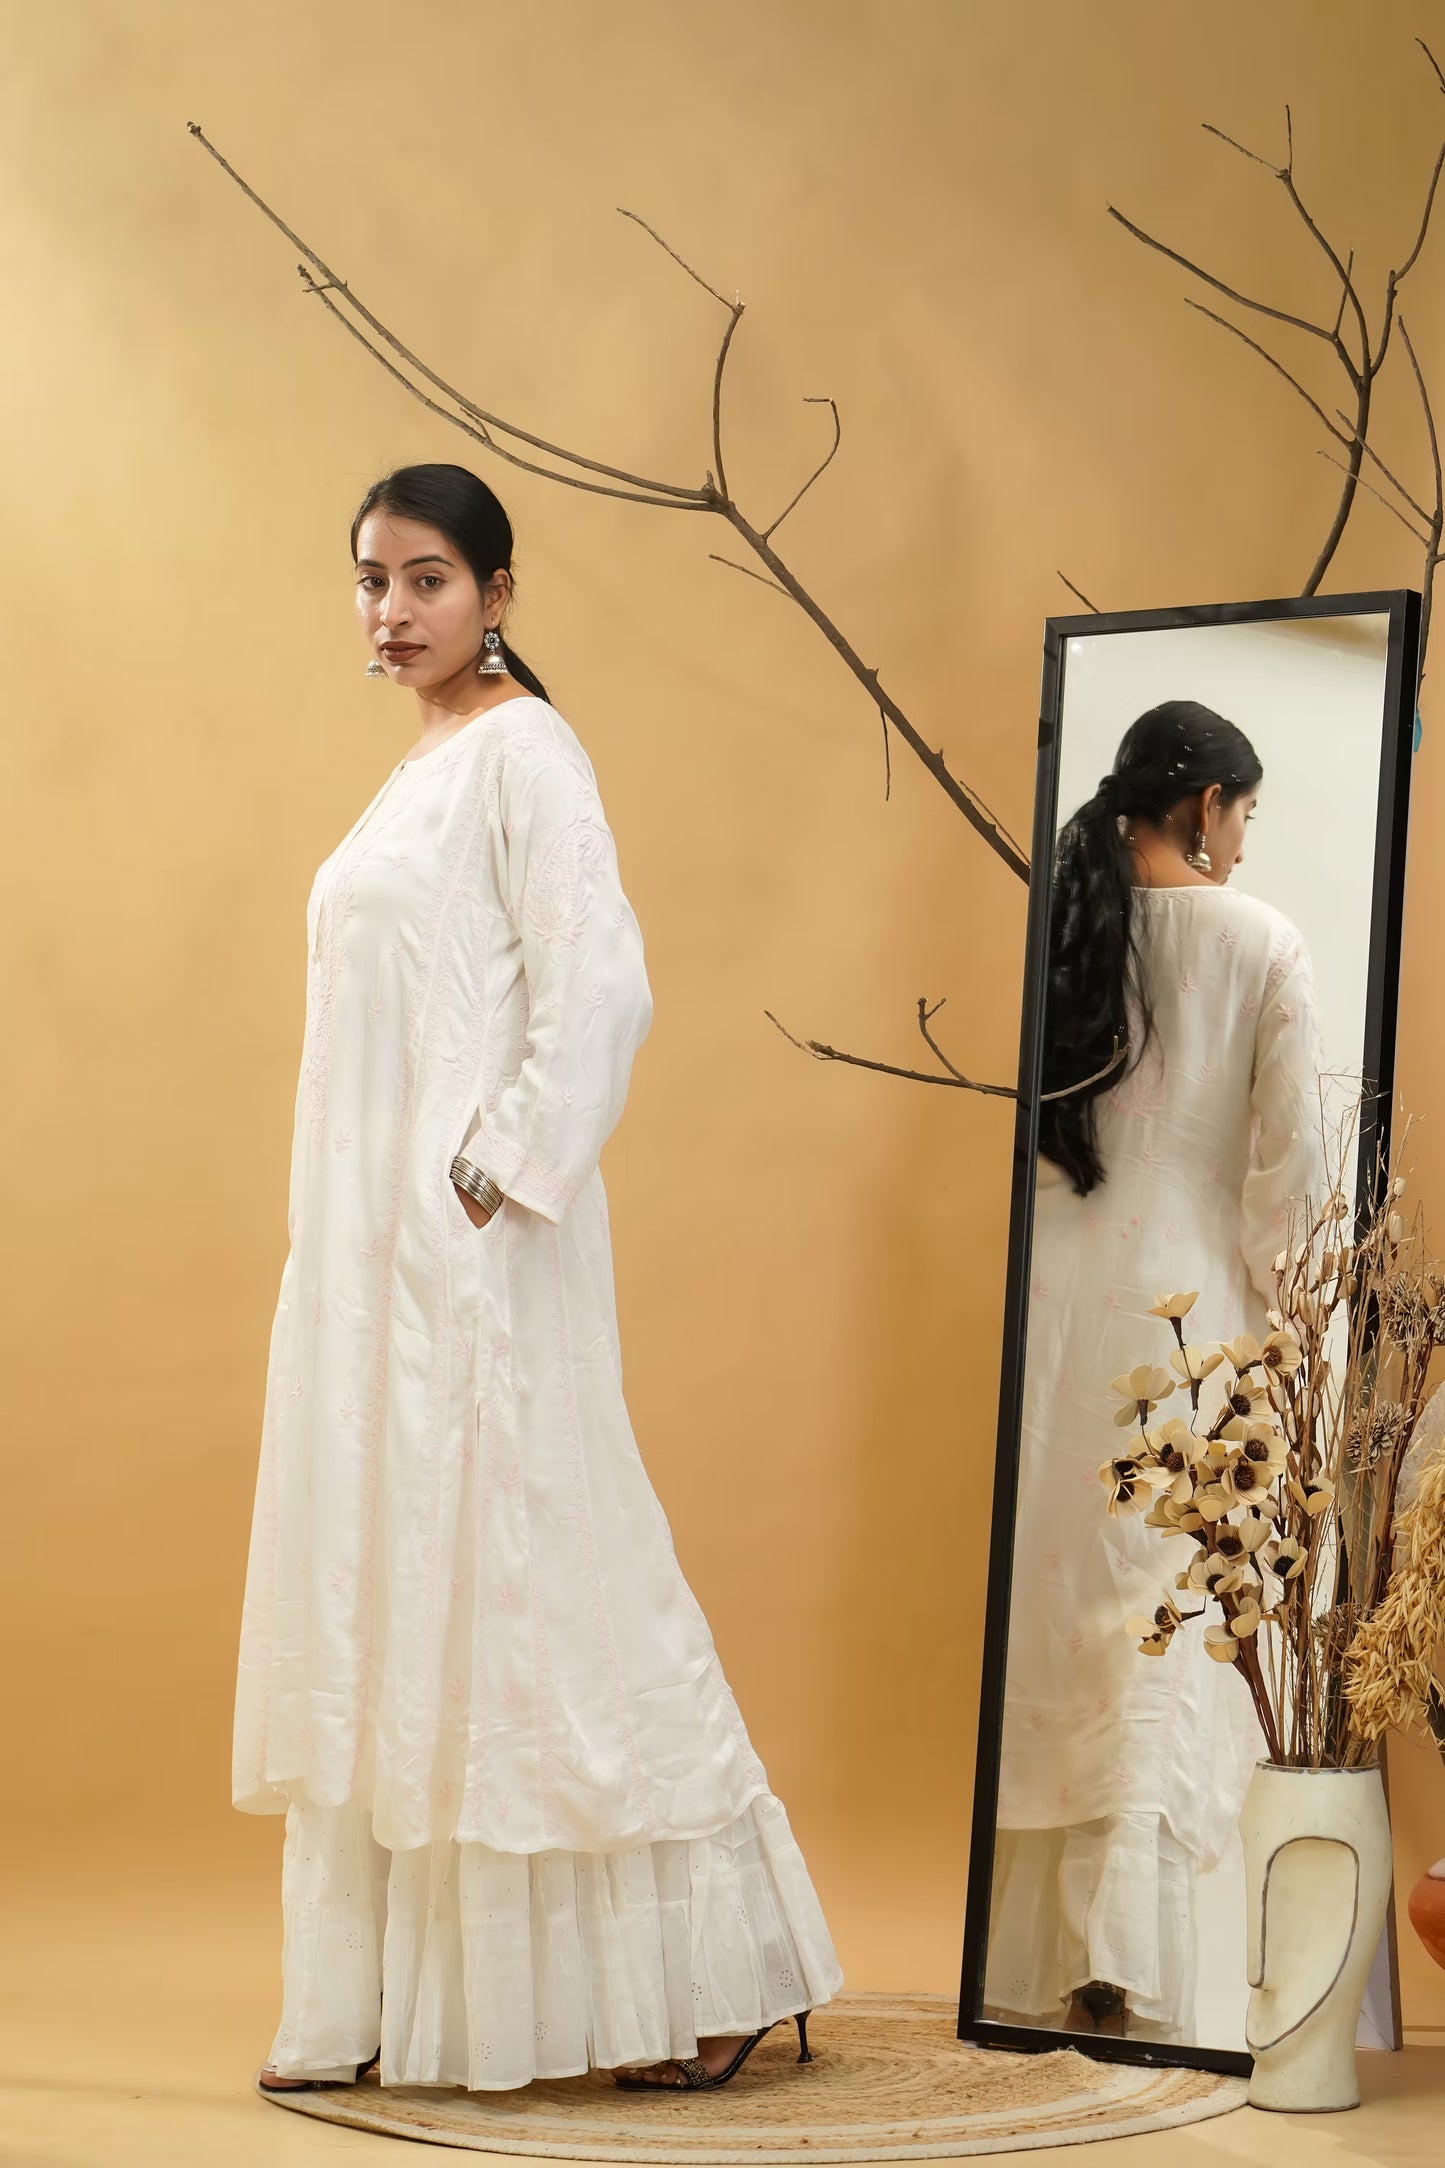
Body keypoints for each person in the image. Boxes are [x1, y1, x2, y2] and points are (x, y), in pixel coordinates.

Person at [233, 462, 843, 2094]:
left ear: (498, 593)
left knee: (550, 1587)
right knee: (401, 1597)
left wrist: (491, 1174)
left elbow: (599, 991)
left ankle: (719, 1973)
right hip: (370, 1277)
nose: (391, 611)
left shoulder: (526, 753)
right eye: (371, 581)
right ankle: (384, 1998)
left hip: (477, 1264)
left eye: (426, 579)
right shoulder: (421, 768)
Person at [986, 700, 1328, 2043]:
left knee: (1066, 1608)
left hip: (1056, 1306)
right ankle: (1130, 1959)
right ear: (1201, 807)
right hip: (1187, 1318)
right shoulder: (1260, 942)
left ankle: (1038, 1966)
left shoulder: (1065, 931)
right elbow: (1292, 1170)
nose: (1243, 843)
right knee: (1165, 1613)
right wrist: (1291, 1314)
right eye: (1243, 814)